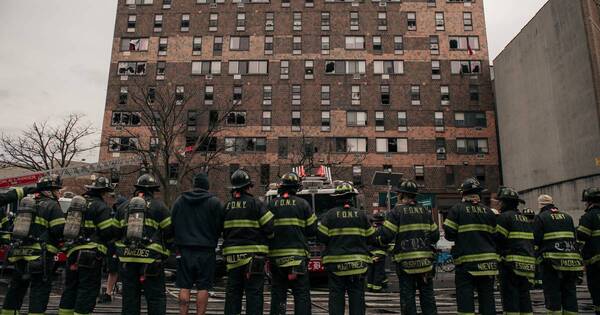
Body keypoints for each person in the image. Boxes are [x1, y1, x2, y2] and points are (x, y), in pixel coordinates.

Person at [2, 175, 66, 315]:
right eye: (57, 190)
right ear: (50, 191)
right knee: (39, 290)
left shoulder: (26, 205)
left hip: (19, 255)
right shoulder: (52, 205)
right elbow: (59, 230)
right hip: (40, 257)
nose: (58, 193)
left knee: (16, 288)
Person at [58, 177, 119, 315]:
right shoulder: (102, 207)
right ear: (103, 192)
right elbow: (107, 232)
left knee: (70, 288)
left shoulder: (77, 206)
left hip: (72, 252)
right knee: (87, 289)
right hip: (90, 255)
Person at [378, 180, 439, 315]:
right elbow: (435, 237)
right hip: (426, 264)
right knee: (427, 296)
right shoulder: (425, 212)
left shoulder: (396, 212)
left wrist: (380, 240)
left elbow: (385, 236)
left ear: (401, 195)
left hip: (406, 264)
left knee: (408, 296)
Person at [115, 174, 173, 315]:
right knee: (155, 299)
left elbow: (114, 233)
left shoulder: (123, 207)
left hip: (128, 260)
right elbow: (170, 233)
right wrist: (166, 252)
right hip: (151, 260)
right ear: (153, 190)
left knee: (129, 299)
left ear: (137, 189)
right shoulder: (159, 207)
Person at [317, 182, 375, 315]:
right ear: (352, 198)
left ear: (337, 198)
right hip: (358, 266)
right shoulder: (361, 215)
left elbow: (321, 237)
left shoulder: (329, 216)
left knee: (336, 297)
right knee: (357, 297)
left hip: (336, 266)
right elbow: (371, 237)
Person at [222, 169, 274, 315]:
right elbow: (270, 227)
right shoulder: (256, 204)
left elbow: (221, 230)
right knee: (254, 294)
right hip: (254, 258)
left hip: (232, 258)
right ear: (248, 186)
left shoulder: (226, 206)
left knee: (233, 293)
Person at [171, 173, 224, 315]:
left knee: (184, 286)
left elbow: (172, 224)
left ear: (194, 185)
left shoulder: (180, 201)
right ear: (207, 186)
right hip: (206, 251)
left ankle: (183, 313)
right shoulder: (214, 202)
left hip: (184, 250)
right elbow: (221, 226)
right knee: (203, 287)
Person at [443, 178, 497, 315]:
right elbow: (495, 236)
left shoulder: (457, 210)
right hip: (488, 264)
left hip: (466, 264)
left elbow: (449, 234)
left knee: (465, 299)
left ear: (463, 194)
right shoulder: (489, 212)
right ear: (478, 193)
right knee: (487, 298)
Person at [267, 172, 316, 315]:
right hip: (298, 259)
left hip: (277, 259)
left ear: (282, 187)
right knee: (301, 294)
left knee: (278, 294)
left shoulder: (271, 205)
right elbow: (312, 230)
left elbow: (265, 229)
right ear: (296, 188)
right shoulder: (303, 204)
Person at [534, 194, 583, 314]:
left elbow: (536, 242)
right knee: (570, 295)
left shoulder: (541, 218)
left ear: (540, 206)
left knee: (553, 295)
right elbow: (574, 239)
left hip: (551, 264)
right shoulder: (568, 217)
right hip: (571, 262)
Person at [494, 187, 535, 314]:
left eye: (500, 201)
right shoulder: (524, 219)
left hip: (509, 265)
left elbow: (498, 239)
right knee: (524, 298)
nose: (498, 204)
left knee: (510, 299)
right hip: (527, 265)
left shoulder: (504, 218)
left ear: (505, 202)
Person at [99, 195, 128, 304]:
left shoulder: (113, 215)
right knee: (120, 271)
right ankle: (113, 292)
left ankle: (108, 293)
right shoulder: (128, 215)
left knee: (113, 271)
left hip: (114, 247)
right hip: (123, 247)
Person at [578, 187, 600, 314]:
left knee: (597, 292)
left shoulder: (589, 217)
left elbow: (581, 236)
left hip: (595, 265)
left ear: (589, 202)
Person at [366, 212, 388, 293]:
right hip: (380, 254)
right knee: (378, 271)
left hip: (370, 253)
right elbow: (385, 241)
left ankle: (370, 286)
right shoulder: (383, 230)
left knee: (371, 271)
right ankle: (377, 288)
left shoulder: (370, 229)